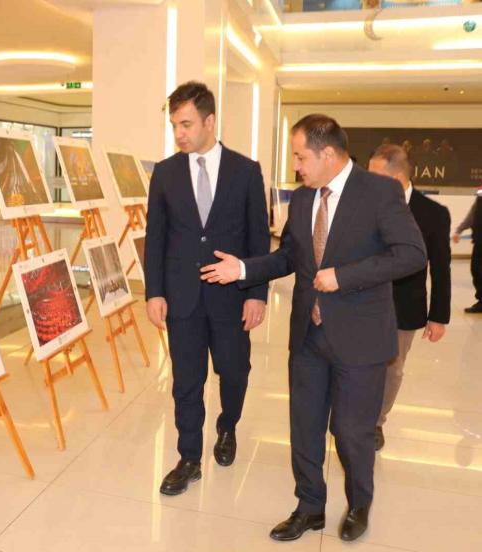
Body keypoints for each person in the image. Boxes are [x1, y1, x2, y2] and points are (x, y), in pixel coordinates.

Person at [201, 114, 426, 542]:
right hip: (309, 335)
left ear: (328, 154)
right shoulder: (304, 200)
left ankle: (359, 504)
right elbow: (289, 256)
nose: (296, 166)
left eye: (300, 157)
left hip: (360, 338)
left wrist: (345, 276)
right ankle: (309, 507)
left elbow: (412, 254)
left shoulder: (379, 191)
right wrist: (243, 268)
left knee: (351, 432)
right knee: (304, 427)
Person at [144, 81, 269, 496]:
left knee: (234, 373)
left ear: (209, 121)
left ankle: (227, 426)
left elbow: (258, 238)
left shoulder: (245, 171)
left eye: (186, 124)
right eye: (174, 125)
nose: (178, 133)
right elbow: (156, 238)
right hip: (182, 297)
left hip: (231, 297)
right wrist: (154, 291)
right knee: (186, 381)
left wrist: (256, 293)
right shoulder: (165, 173)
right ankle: (189, 458)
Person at [368, 144, 451, 451]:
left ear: (396, 177)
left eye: (375, 174)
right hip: (362, 300)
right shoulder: (364, 206)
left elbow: (441, 267)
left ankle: (376, 422)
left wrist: (438, 316)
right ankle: (356, 414)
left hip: (404, 306)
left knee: (392, 368)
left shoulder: (433, 214)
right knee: (358, 362)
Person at [453, 195, 482, 313]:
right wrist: (459, 230)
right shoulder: (480, 198)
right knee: (476, 270)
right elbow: (472, 215)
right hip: (479, 241)